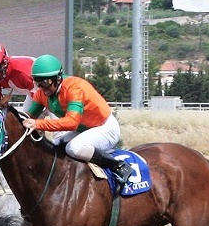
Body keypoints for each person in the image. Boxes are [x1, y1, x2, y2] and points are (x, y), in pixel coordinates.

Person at [21, 54, 132, 187]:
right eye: (37, 83)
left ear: (58, 78)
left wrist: (38, 124)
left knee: (74, 148)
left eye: (45, 82)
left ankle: (118, 166)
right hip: (84, 129)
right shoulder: (42, 93)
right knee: (57, 144)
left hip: (106, 128)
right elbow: (27, 117)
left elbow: (71, 122)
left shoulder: (74, 88)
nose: (42, 88)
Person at [0, 42, 37, 111]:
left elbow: (41, 99)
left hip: (47, 88)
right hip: (32, 92)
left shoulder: (22, 73)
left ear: (4, 64)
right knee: (26, 118)